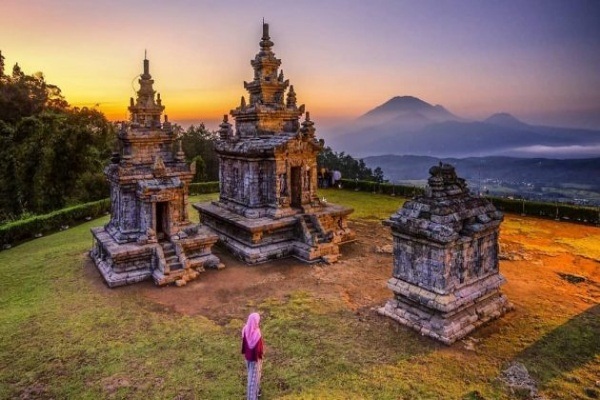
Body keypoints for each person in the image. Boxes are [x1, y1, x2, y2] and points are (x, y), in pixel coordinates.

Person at [242, 312, 264, 399]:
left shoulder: (245, 329)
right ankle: (252, 397)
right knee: (253, 380)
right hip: (255, 360)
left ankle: (257, 392)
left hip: (247, 358)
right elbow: (259, 349)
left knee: (252, 375)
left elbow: (244, 344)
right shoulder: (257, 333)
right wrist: (259, 358)